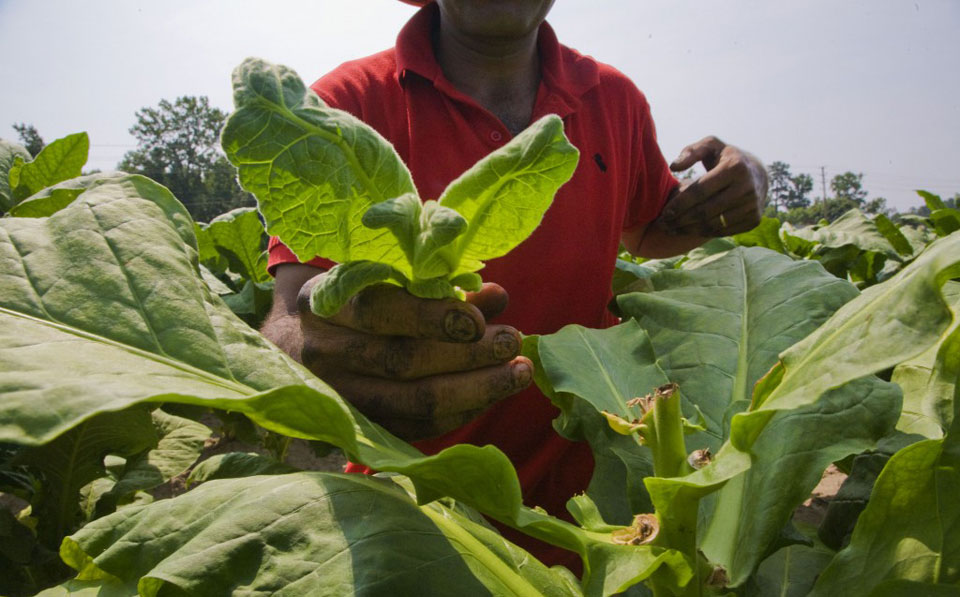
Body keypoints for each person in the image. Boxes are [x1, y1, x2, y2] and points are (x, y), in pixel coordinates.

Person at [262, 0, 767, 568]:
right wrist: (319, 358)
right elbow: (287, 322)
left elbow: (651, 231)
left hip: (600, 515)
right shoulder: (346, 102)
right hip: (418, 519)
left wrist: (742, 183)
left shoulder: (614, 98)